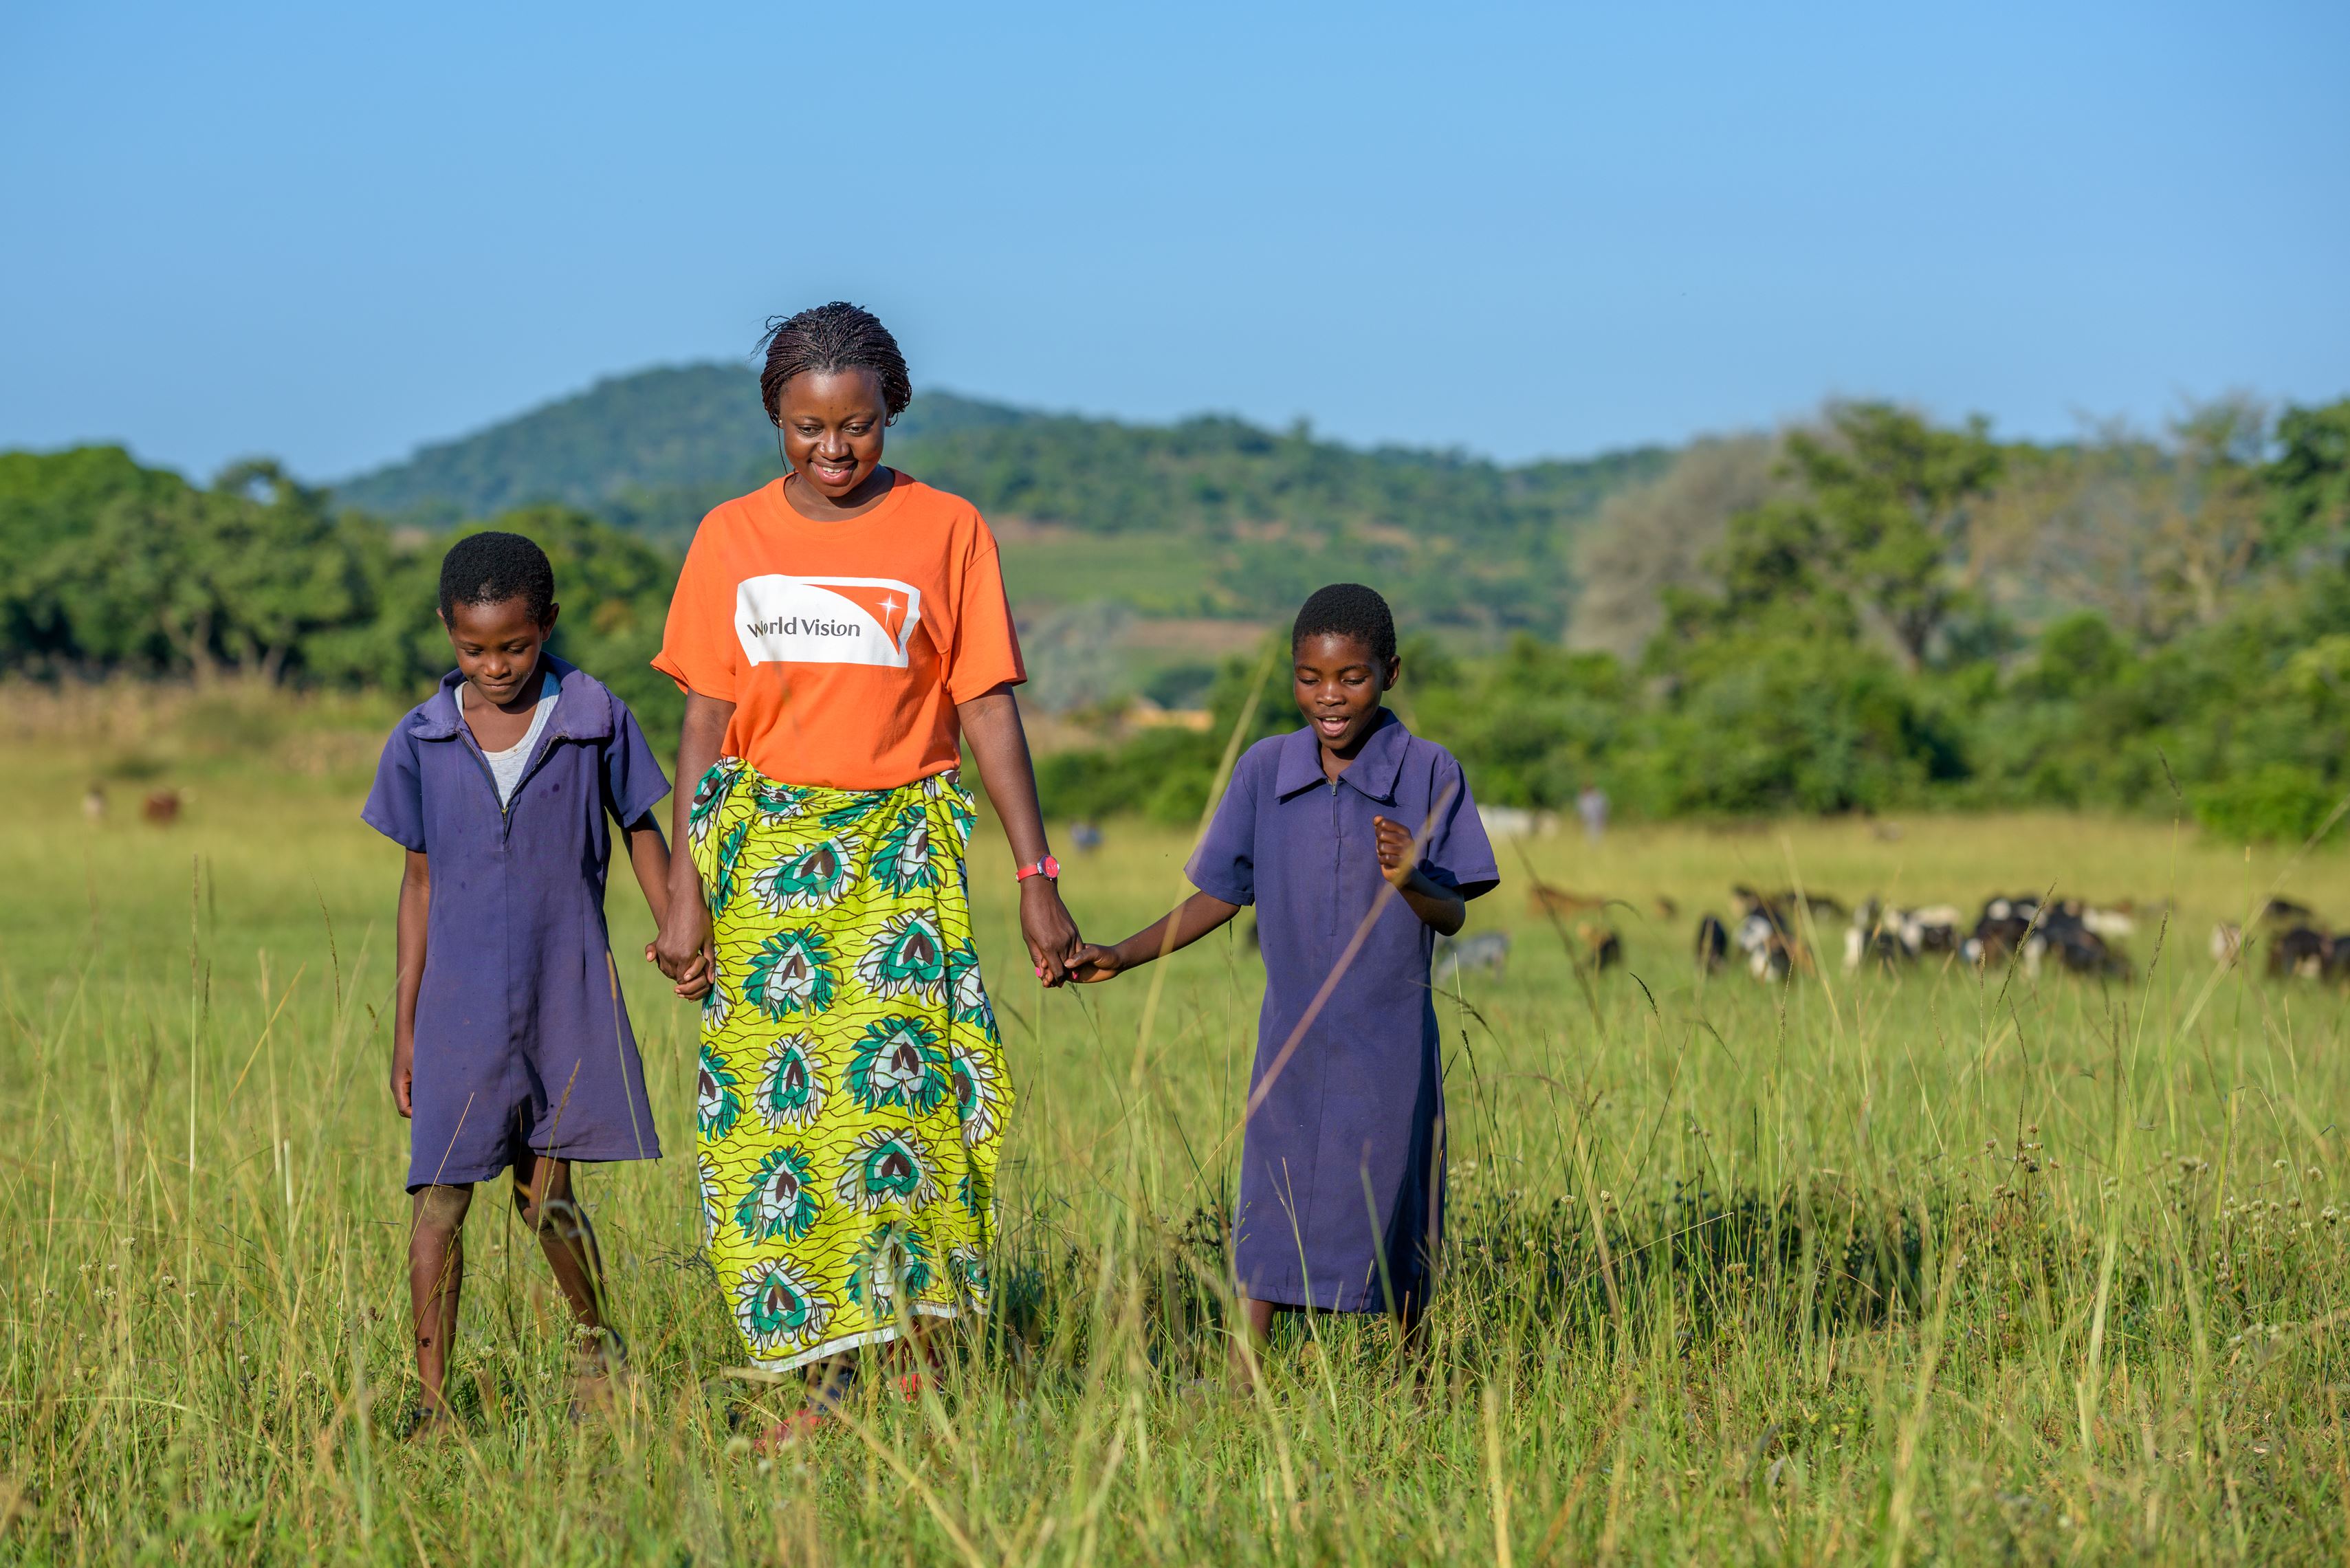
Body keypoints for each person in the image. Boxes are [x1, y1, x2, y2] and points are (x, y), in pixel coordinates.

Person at [648, 302, 1081, 1437]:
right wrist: (687, 888)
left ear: (892, 413)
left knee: (908, 1107)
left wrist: (1036, 872)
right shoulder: (729, 539)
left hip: (901, 861)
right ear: (773, 422)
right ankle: (823, 1375)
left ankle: (913, 1360)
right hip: (766, 863)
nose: (832, 450)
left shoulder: (946, 531)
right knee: (775, 1126)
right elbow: (704, 721)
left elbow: (983, 705)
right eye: (805, 428)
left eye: (857, 426)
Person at [1070, 583, 1497, 1378]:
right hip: (1292, 1033)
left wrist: (1410, 877)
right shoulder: (1265, 770)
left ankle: (1414, 1371)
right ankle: (1243, 1376)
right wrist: (1122, 954)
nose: (1329, 698)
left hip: (1389, 1034)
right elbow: (1219, 893)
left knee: (1394, 1191)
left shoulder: (1429, 770)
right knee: (1272, 1189)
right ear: (1291, 675)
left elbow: (1454, 915)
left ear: (1390, 673)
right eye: (1310, 677)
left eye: (1351, 677)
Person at [362, 531, 682, 1435]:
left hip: (559, 993)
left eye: (515, 645)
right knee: (438, 1201)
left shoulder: (593, 716)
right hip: (457, 1008)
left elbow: (641, 827)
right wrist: (406, 1024)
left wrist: (674, 929)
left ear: (547, 626)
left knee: (548, 1197)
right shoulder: (421, 738)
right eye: (474, 648)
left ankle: (595, 1344)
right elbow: (417, 882)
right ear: (447, 632)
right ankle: (430, 1402)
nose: (496, 664)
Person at [1577, 779, 1610, 844]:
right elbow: (1582, 812)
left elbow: (1603, 809)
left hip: (1596, 820)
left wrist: (1602, 820)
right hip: (1588, 822)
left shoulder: (1598, 798)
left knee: (1596, 837)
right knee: (1588, 837)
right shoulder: (1583, 799)